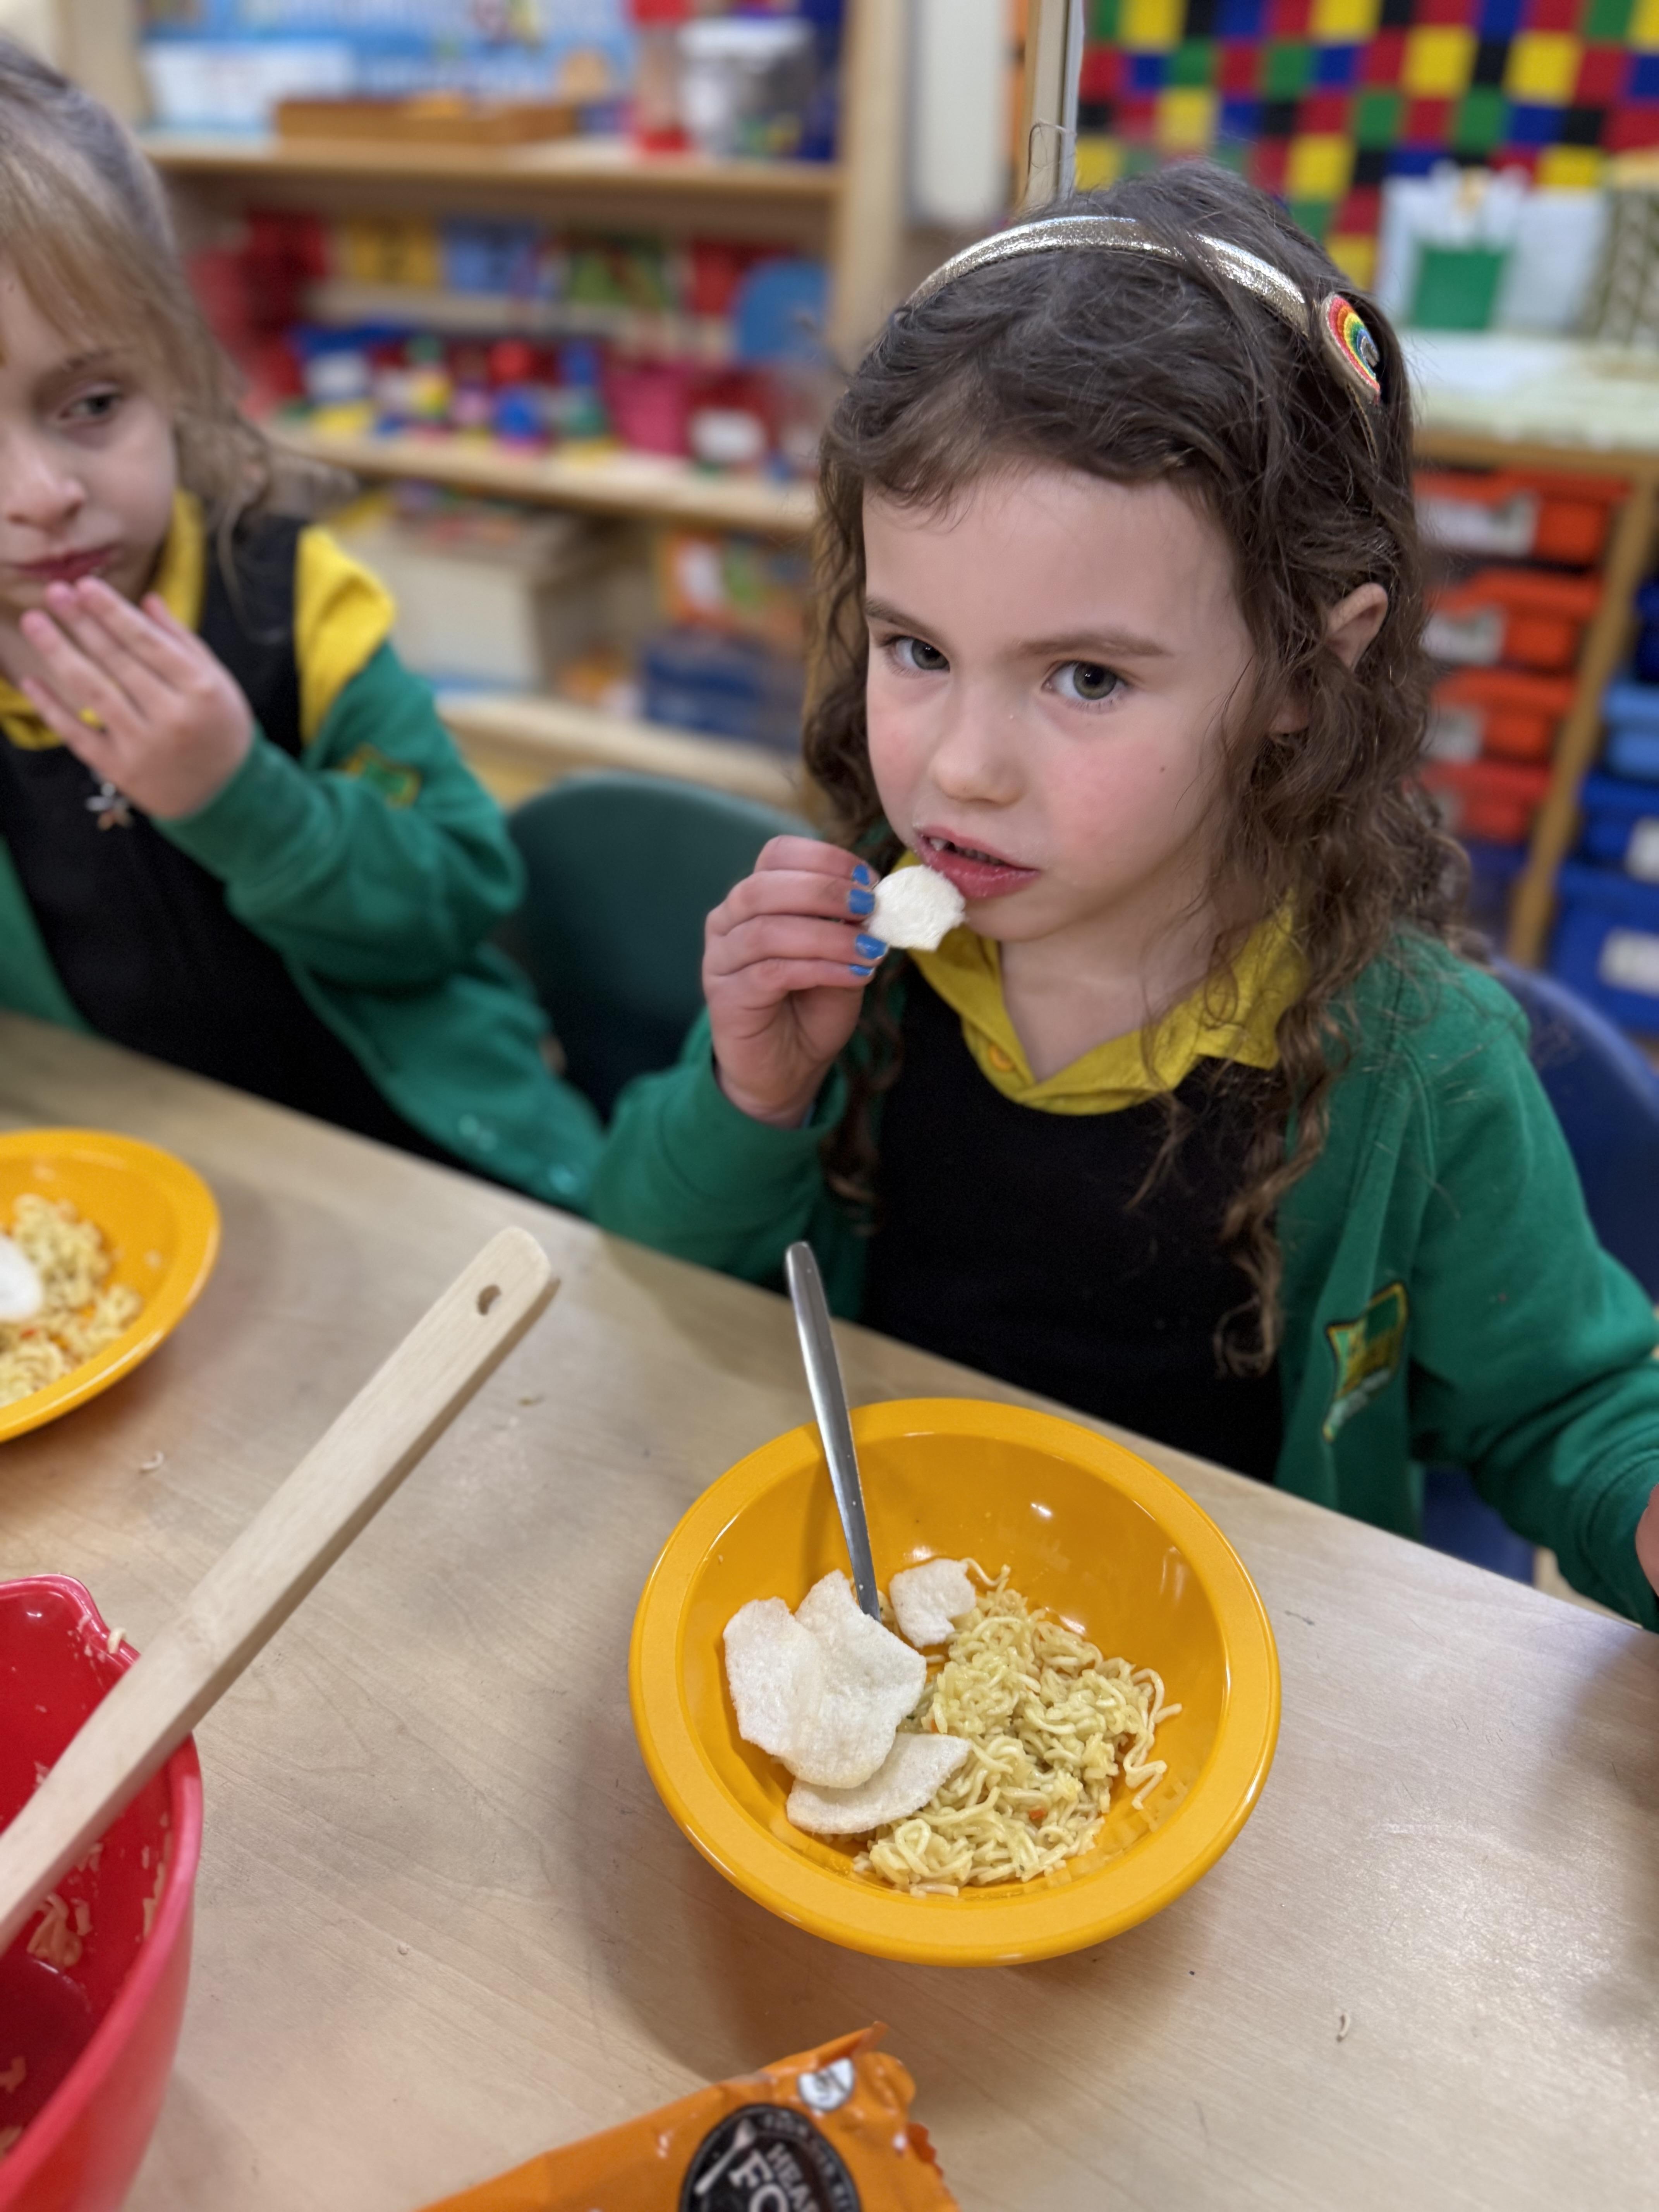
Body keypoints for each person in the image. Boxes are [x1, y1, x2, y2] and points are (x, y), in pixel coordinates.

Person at [593, 164, 1659, 1625]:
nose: (960, 770)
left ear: (1307, 668)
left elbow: (1566, 1413)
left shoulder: (1420, 1065)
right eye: (915, 650)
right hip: (882, 1606)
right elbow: (650, 1263)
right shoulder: (862, 961)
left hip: (1234, 1669)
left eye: (1086, 678)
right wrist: (752, 1100)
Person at [0, 44, 601, 1208]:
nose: (41, 494)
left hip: (420, 1167)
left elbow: (459, 896)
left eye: (93, 405)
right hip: (141, 1191)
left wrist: (241, 799)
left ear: (176, 369)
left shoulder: (295, 603)